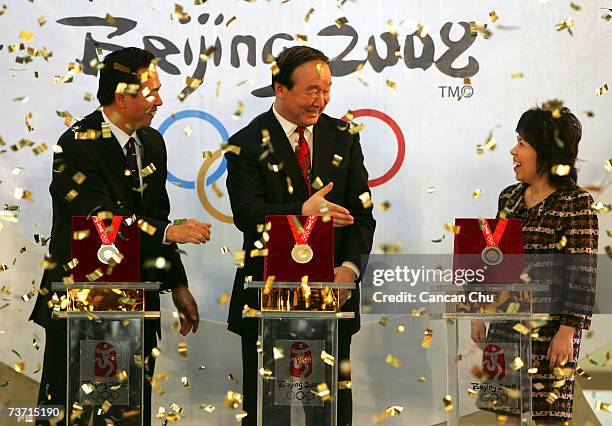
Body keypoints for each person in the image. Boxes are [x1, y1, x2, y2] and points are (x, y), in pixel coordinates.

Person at [29, 47, 212, 425]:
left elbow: (156, 214)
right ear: (122, 96)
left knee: (130, 413)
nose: (160, 100)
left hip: (135, 303)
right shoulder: (77, 143)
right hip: (78, 302)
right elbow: (98, 218)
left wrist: (176, 283)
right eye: (152, 92)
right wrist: (167, 231)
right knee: (69, 414)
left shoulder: (152, 143)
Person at [224, 45, 376, 425]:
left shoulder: (344, 136)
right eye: (311, 90)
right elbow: (246, 215)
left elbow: (362, 215)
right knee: (267, 410)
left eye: (326, 90)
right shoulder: (246, 143)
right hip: (267, 297)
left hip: (331, 295)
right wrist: (301, 211)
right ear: (280, 88)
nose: (320, 100)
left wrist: (349, 270)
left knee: (329, 410)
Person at [471, 106, 598, 424]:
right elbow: (493, 260)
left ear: (546, 151)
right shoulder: (508, 198)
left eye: (523, 143)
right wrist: (476, 311)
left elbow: (583, 274)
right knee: (505, 411)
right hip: (504, 323)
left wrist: (568, 331)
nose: (513, 151)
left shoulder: (575, 203)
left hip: (552, 330)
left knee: (548, 416)